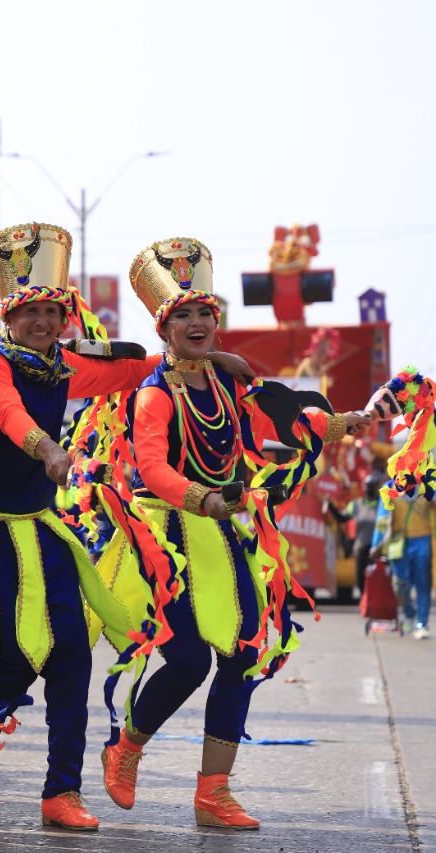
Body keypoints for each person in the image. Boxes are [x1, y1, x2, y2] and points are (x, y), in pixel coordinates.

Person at [99, 237, 375, 830]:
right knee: (189, 658)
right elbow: (151, 468)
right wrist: (204, 498)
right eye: (183, 316)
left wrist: (342, 423)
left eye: (205, 313)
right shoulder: (154, 395)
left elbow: (288, 415)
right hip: (166, 537)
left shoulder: (230, 386)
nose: (197, 323)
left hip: (224, 535)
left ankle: (213, 792)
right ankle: (127, 748)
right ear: (164, 327)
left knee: (245, 654)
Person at [372, 491, 435, 638]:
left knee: (423, 583)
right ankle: (409, 611)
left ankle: (422, 624)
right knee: (400, 585)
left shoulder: (428, 485)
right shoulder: (389, 489)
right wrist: (376, 544)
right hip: (398, 542)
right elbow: (381, 519)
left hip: (422, 540)